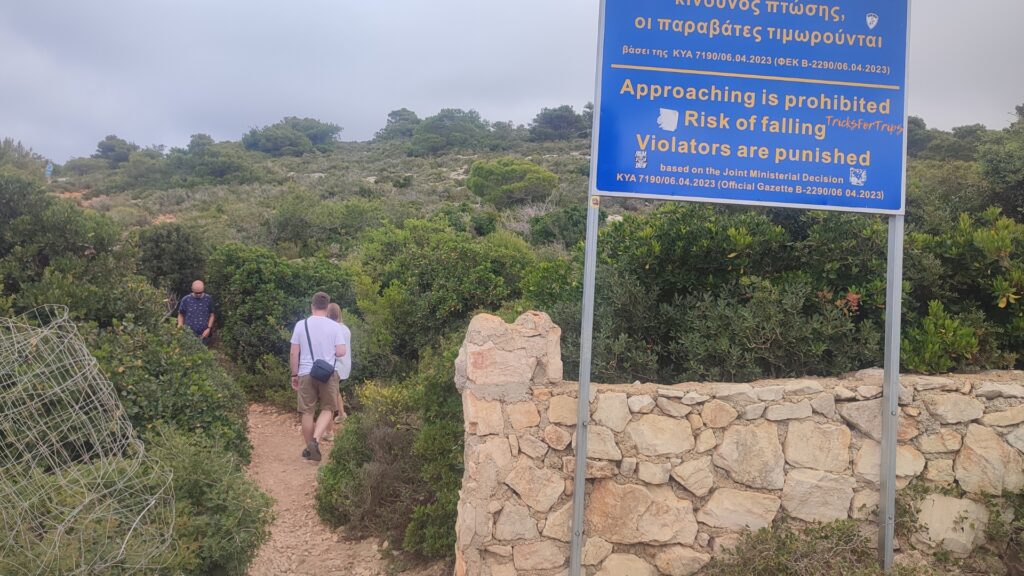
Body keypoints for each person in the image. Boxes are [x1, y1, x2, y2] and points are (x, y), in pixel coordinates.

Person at [289, 292, 347, 462]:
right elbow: (341, 351)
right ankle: (315, 440)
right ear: (327, 307)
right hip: (328, 373)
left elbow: (294, 352)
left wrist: (294, 374)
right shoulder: (334, 326)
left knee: (307, 412)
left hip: (305, 372)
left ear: (312, 306)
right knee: (328, 408)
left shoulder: (301, 325)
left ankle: (310, 448)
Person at [323, 303, 351, 440]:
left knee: (329, 397)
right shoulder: (345, 328)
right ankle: (341, 414)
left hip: (335, 366)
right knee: (335, 390)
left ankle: (329, 432)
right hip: (345, 365)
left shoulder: (331, 329)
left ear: (327, 314)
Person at [177, 280, 215, 345]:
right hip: (188, 334)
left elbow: (212, 315)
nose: (198, 294)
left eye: (200, 292)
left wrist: (209, 328)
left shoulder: (208, 299)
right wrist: (180, 325)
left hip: (204, 335)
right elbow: (181, 314)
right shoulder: (185, 299)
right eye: (196, 293)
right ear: (192, 289)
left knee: (202, 354)